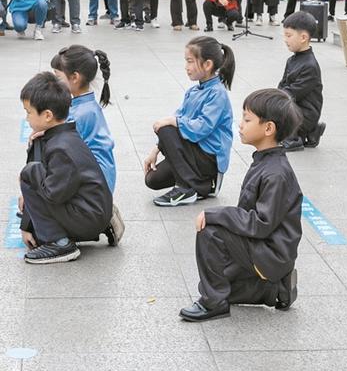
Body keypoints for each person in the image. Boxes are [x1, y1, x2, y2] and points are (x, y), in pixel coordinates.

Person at [180, 88, 303, 322]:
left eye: (247, 119)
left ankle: (213, 304)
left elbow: (261, 224)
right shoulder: (266, 161)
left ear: (268, 128)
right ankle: (275, 290)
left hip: (271, 252)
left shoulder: (276, 173)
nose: (241, 124)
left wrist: (217, 214)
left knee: (210, 232)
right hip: (262, 248)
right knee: (218, 283)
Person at [18, 72, 114, 264]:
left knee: (30, 173)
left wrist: (30, 173)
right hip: (92, 210)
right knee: (34, 173)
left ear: (47, 116)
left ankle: (60, 244)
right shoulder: (63, 136)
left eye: (29, 112)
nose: (27, 118)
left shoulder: (61, 148)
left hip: (89, 218)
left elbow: (53, 194)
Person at [144, 36, 235, 206]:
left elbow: (201, 128)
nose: (186, 67)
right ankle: (202, 186)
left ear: (207, 65)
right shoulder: (193, 91)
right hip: (195, 152)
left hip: (209, 158)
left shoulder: (217, 93)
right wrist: (155, 150)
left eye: (190, 61)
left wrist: (172, 122)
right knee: (152, 179)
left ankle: (187, 188)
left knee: (166, 128)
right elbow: (180, 119)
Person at [48, 44, 125, 244]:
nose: (55, 84)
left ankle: (103, 216)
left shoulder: (83, 113)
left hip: (95, 184)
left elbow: (65, 151)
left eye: (58, 78)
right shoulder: (82, 105)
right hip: (95, 178)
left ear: (75, 77)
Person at [278, 11, 326, 152]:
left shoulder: (310, 66)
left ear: (303, 37)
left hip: (305, 114)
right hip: (295, 109)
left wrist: (274, 101)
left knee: (275, 112)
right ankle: (310, 132)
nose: (285, 39)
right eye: (284, 35)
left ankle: (294, 139)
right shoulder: (292, 60)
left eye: (289, 35)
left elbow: (293, 93)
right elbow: (283, 84)